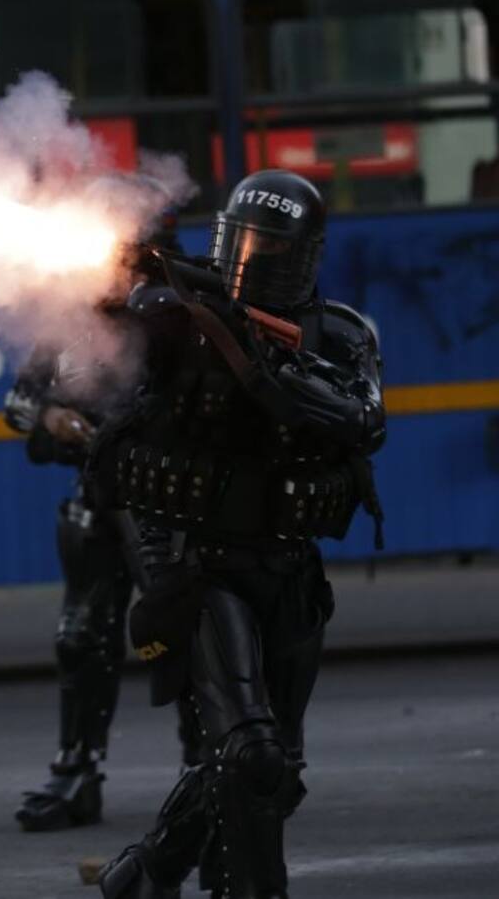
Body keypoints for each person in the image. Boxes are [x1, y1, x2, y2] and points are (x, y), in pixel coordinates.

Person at [92, 169, 385, 898]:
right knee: (250, 752)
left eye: (272, 250)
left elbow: (362, 420)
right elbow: (108, 387)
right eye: (241, 244)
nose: (252, 262)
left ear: (304, 255)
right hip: (205, 565)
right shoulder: (173, 315)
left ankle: (146, 872)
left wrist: (262, 361)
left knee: (274, 770)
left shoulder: (343, 334)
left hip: (290, 569)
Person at [5, 221, 202, 833]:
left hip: (165, 508)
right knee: (81, 635)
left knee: (183, 635)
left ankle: (208, 767)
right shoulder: (69, 323)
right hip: (95, 501)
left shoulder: (182, 319)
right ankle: (77, 771)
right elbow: (19, 411)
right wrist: (55, 420)